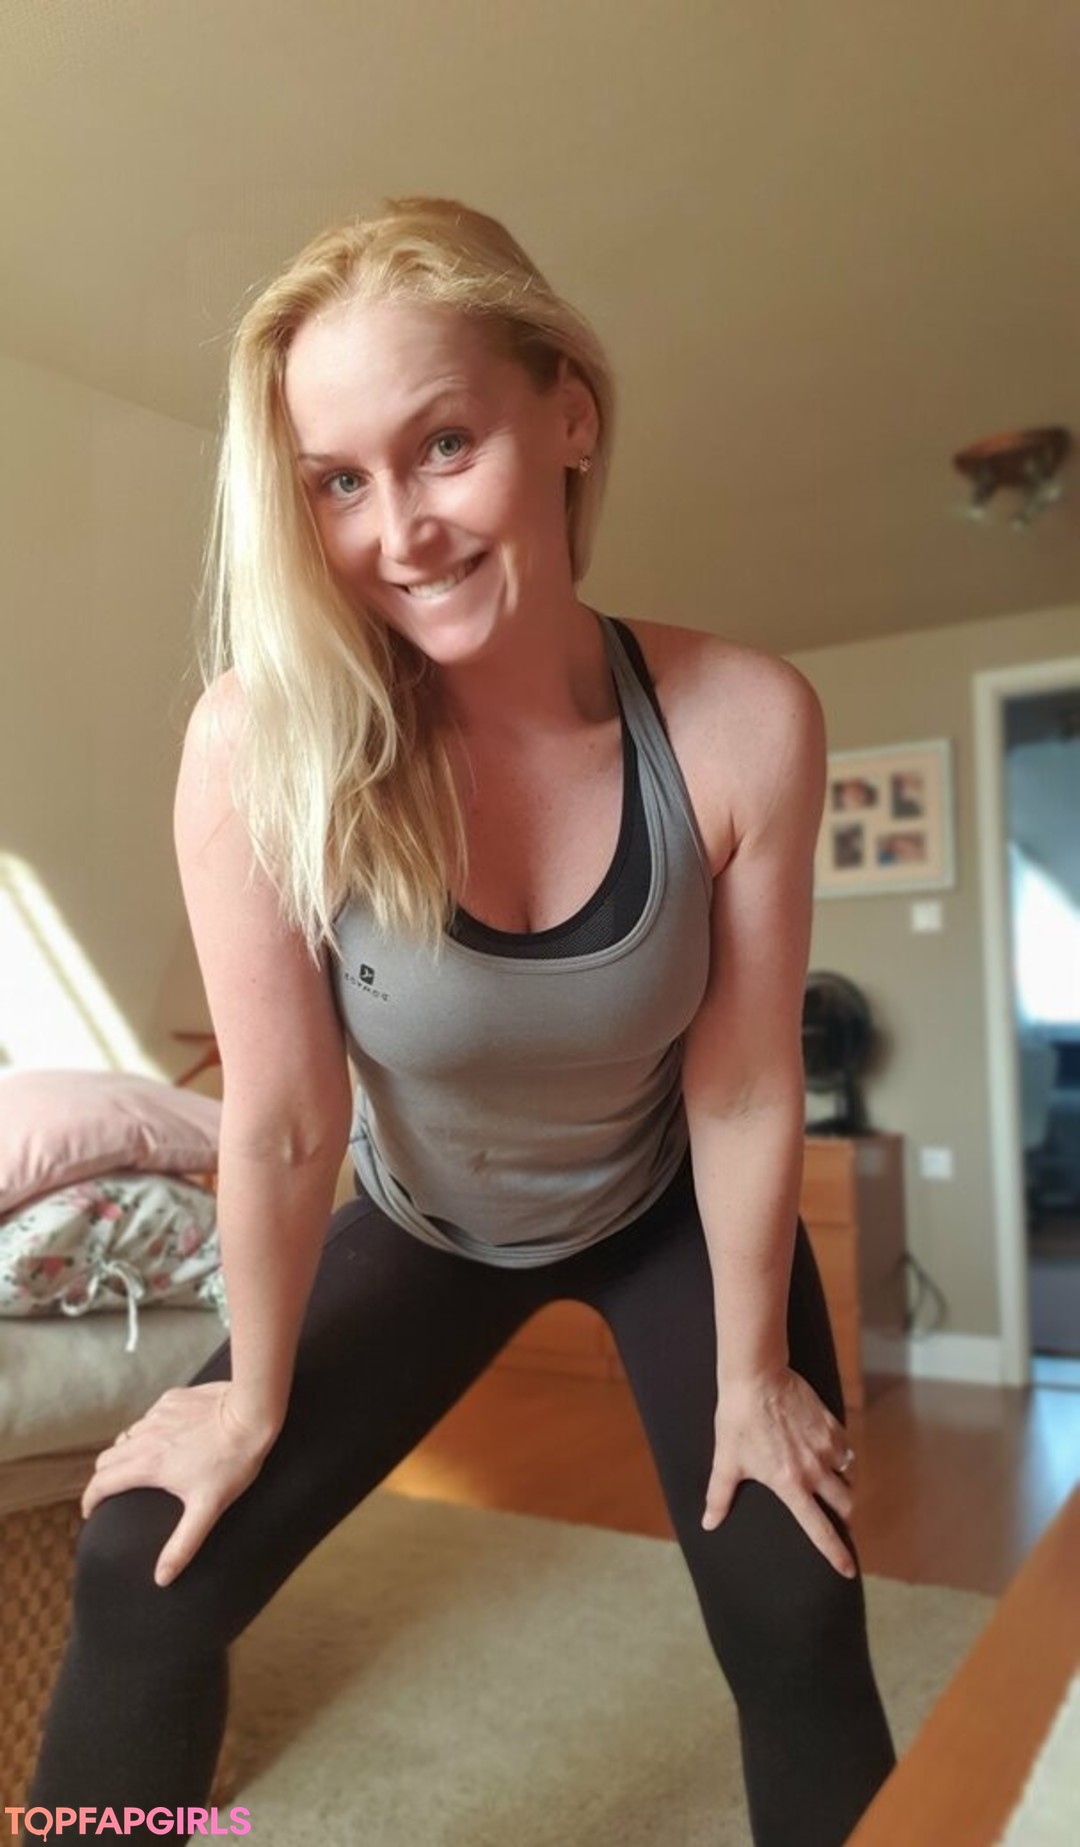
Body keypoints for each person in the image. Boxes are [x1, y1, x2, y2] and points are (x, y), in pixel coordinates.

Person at [30, 197, 896, 1845]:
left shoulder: (743, 722)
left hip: (668, 1207)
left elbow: (738, 1088)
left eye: (444, 445)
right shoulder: (260, 748)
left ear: (567, 414)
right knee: (146, 1562)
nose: (402, 531)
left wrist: (752, 1377)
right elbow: (289, 1118)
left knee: (797, 1586)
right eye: (337, 482)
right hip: (428, 1217)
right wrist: (249, 1398)